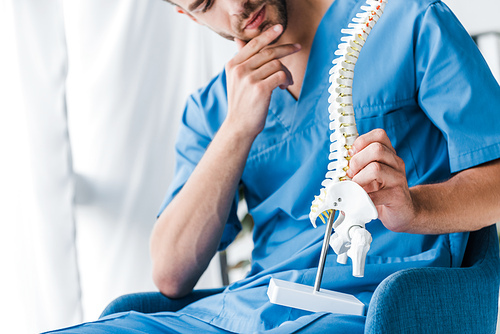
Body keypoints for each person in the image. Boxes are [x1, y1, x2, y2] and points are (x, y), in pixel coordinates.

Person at [47, 0, 500, 332]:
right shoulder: (213, 110)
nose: (237, 4)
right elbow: (170, 271)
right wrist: (237, 130)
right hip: (236, 314)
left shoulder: (407, 22)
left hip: (371, 307)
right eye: (207, 3)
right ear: (187, 14)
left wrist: (415, 208)